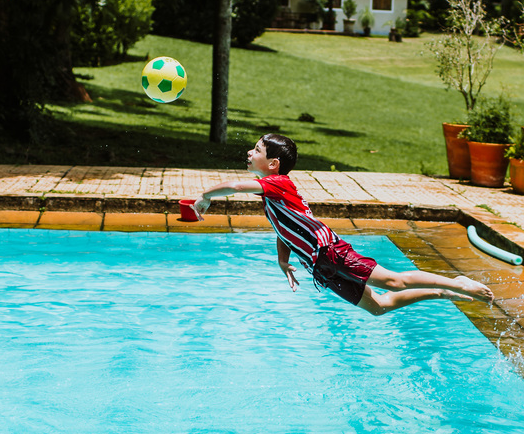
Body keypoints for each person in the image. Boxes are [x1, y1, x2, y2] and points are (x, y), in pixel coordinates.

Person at [193, 133, 493, 315]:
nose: (249, 152)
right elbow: (285, 232)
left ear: (273, 164)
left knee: (392, 281)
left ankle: (458, 283)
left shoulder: (278, 183)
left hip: (330, 252)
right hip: (319, 265)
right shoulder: (271, 195)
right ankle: (442, 292)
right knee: (379, 306)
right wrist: (282, 263)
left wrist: (205, 195)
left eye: (257, 150)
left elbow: (234, 185)